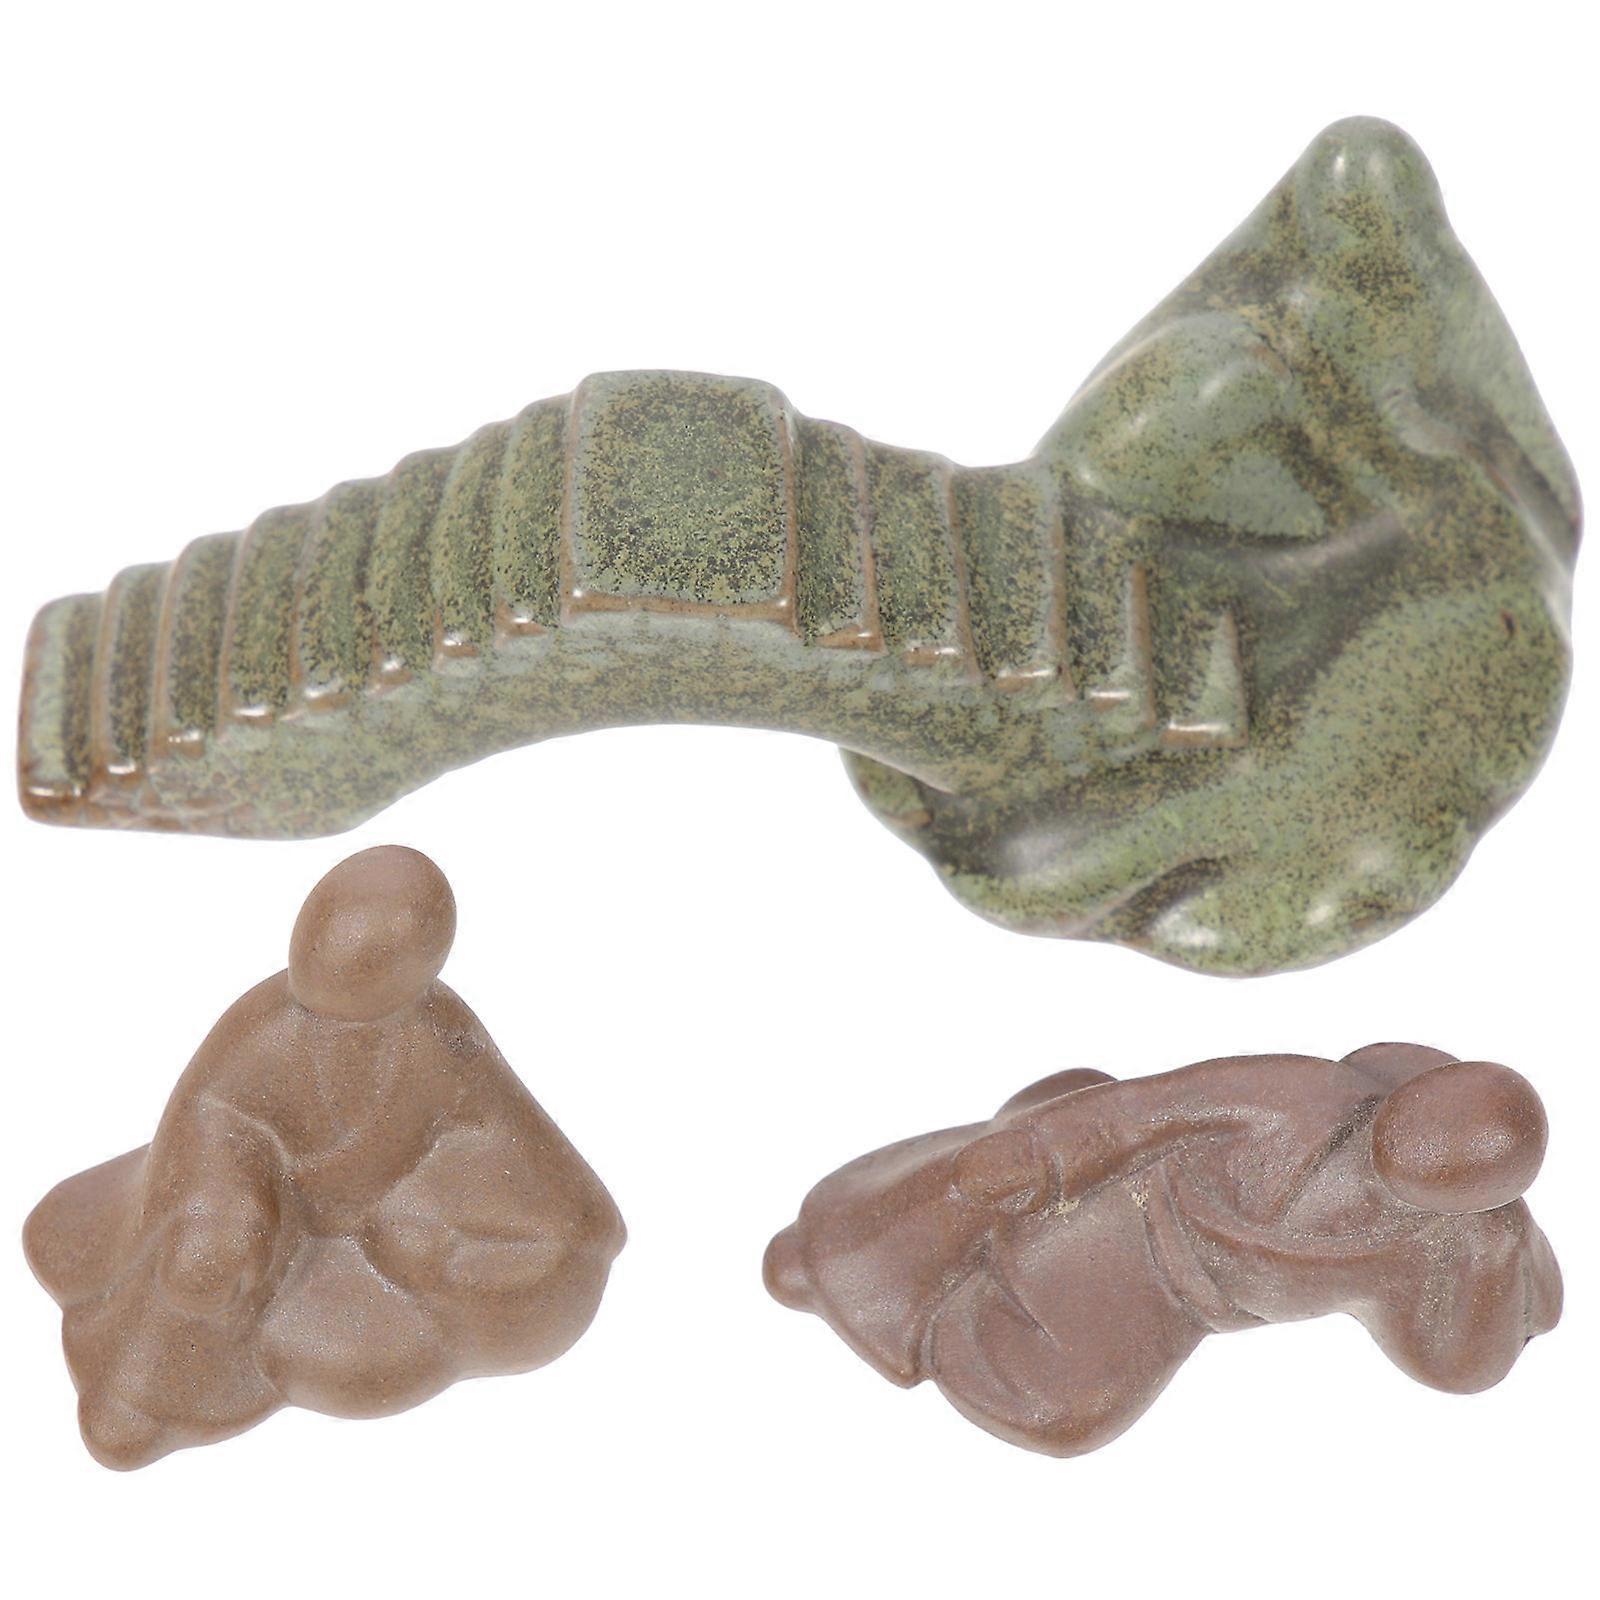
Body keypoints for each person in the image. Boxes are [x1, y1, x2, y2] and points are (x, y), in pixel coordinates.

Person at [25, 846, 625, 1469]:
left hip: (376, 1223)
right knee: (205, 1264)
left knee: (547, 1263)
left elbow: (502, 1135)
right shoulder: (268, 1025)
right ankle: (142, 1393)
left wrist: (541, 1231)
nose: (335, 988)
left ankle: (337, 1316)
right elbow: (213, 1112)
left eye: (369, 974)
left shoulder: (442, 1039)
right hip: (255, 1205)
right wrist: (229, 1199)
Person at [764, 1044, 1561, 1456]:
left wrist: (1495, 1255)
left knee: (1063, 1411)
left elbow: (1457, 1366)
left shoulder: (1443, 1248)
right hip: (1138, 1192)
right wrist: (1045, 1154)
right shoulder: (1304, 1093)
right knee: (982, 1192)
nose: (1384, 1158)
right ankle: (848, 1261)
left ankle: (949, 1326)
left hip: (1173, 1292)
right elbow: (1151, 1111)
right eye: (1398, 1129)